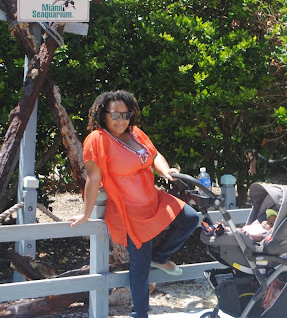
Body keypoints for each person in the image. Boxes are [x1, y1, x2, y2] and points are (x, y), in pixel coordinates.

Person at [67, 90, 200, 318]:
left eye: (125, 114)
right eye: (115, 115)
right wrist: (85, 214)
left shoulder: (136, 133)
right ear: (103, 115)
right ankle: (140, 313)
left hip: (153, 199)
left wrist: (165, 171)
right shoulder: (97, 139)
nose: (121, 120)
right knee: (140, 265)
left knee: (190, 218)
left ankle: (160, 256)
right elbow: (93, 179)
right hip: (128, 210)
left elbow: (154, 155)